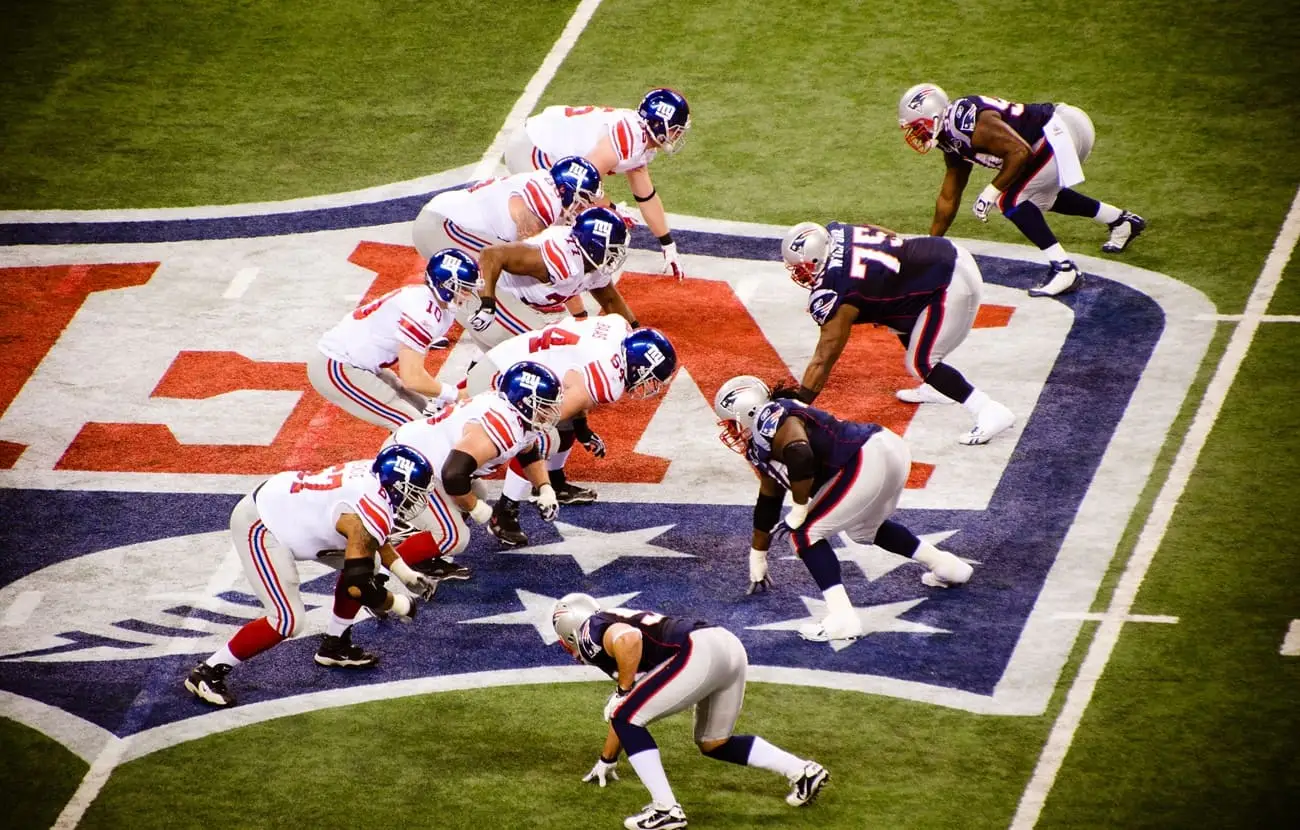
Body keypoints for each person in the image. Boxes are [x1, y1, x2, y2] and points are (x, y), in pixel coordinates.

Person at [713, 376, 973, 643]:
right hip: (887, 450)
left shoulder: (769, 418)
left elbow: (800, 453)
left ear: (748, 412)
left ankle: (842, 618)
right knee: (865, 529)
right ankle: (946, 566)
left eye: (732, 425)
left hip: (863, 459)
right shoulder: (765, 437)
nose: (732, 433)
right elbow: (769, 499)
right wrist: (758, 554)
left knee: (803, 533)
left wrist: (800, 509)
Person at [184, 444, 437, 707]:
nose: (419, 501)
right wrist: (399, 604)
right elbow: (358, 586)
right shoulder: (369, 507)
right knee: (287, 620)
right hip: (263, 523)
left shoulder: (374, 483)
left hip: (294, 508)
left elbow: (371, 534)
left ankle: (335, 645)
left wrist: (404, 573)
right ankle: (208, 671)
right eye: (414, 493)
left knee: (368, 565)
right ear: (395, 487)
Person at [552, 593, 830, 830]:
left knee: (626, 714)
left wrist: (623, 692)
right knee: (714, 742)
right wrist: (607, 758)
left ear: (569, 629)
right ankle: (802, 772)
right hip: (726, 645)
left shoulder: (592, 628)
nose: (565, 646)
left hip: (697, 650)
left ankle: (666, 809)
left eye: (563, 639)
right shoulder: (608, 620)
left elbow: (628, 640)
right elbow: (628, 700)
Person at [779, 220, 1015, 445]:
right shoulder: (836, 232)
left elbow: (824, 358)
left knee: (921, 362)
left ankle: (987, 409)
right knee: (892, 316)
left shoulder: (835, 287)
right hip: (947, 252)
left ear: (817, 258)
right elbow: (886, 234)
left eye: (803, 268)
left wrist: (798, 407)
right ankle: (938, 388)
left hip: (951, 284)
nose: (800, 275)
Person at [898, 83, 1146, 297]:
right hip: (1055, 133)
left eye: (918, 127)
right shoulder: (950, 140)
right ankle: (1121, 220)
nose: (917, 135)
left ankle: (1064, 268)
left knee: (1011, 200)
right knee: (1036, 198)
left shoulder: (964, 121)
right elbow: (949, 197)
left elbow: (1019, 152)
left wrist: (991, 192)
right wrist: (931, 246)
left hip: (1061, 127)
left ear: (935, 115)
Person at [463, 319, 677, 545]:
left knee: (564, 424)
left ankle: (556, 481)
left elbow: (571, 378)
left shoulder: (618, 326)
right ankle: (504, 512)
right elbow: (542, 421)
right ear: (638, 366)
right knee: (544, 438)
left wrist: (582, 428)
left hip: (513, 359)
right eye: (650, 377)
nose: (650, 385)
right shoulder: (608, 379)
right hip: (501, 380)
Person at [382, 360, 565, 580]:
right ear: (524, 402)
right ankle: (382, 567)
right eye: (543, 405)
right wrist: (475, 508)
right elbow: (453, 476)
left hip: (425, 457)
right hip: (408, 465)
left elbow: (528, 452)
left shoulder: (517, 416)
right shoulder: (501, 426)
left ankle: (422, 541)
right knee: (454, 537)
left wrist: (545, 488)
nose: (549, 412)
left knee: (478, 492)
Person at [504, 88, 692, 280]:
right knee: (564, 213)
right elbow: (581, 183)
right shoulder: (628, 138)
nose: (677, 134)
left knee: (576, 207)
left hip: (545, 146)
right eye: (675, 128)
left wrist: (668, 244)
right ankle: (526, 276)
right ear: (660, 122)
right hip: (534, 147)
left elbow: (646, 195)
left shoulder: (641, 139)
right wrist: (610, 208)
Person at [412, 156, 604, 336]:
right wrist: (578, 316)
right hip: (445, 226)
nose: (584, 206)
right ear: (565, 190)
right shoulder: (548, 204)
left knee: (493, 280)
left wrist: (579, 317)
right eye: (583, 198)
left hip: (438, 222)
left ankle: (424, 323)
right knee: (506, 306)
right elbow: (540, 257)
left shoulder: (545, 184)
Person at [309, 249, 479, 430]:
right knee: (412, 427)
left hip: (360, 363)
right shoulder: (422, 312)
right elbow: (412, 378)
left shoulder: (433, 305)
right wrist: (454, 394)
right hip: (338, 365)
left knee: (428, 419)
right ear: (443, 286)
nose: (469, 294)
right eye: (464, 288)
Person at [467, 205, 641, 347]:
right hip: (492, 295)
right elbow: (492, 255)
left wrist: (635, 334)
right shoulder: (560, 259)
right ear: (593, 247)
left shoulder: (592, 264)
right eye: (612, 249)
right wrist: (487, 304)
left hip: (523, 308)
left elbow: (610, 299)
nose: (615, 255)